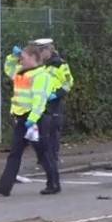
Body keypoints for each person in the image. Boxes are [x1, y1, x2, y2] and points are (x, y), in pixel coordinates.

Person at [0, 43, 59, 196]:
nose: (21, 60)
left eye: (24, 57)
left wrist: (33, 119)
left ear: (33, 58)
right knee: (15, 153)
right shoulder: (22, 72)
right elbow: (8, 68)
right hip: (22, 118)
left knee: (43, 153)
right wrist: (13, 56)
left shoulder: (41, 76)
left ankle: (53, 183)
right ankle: (4, 186)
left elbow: (39, 101)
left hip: (36, 119)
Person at [33, 38, 73, 170]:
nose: (38, 53)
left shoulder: (61, 64)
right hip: (40, 102)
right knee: (39, 131)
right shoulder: (39, 64)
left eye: (41, 51)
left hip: (54, 102)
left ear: (48, 50)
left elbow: (68, 83)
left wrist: (57, 94)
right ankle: (42, 159)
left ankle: (53, 158)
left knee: (53, 131)